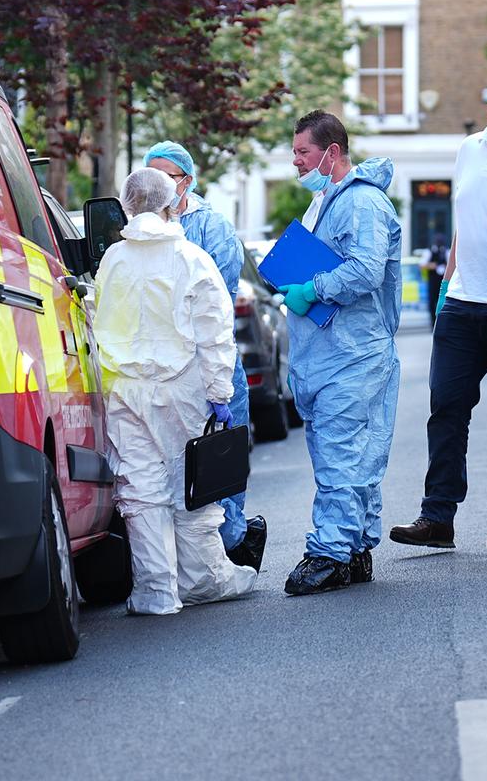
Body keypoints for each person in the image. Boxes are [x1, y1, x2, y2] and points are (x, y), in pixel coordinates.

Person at [389, 68, 487, 552]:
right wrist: (446, 288)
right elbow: (462, 225)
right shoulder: (467, 149)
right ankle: (437, 517)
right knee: (446, 409)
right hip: (460, 303)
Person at [95, 167, 260, 615]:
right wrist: (219, 391)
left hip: (124, 389)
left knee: (141, 490)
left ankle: (156, 591)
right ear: (172, 206)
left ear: (128, 205)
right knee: (192, 483)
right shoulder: (190, 258)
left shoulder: (113, 259)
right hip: (181, 387)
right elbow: (215, 332)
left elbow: (97, 320)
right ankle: (204, 579)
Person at [277, 111, 403, 596]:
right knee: (352, 456)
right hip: (333, 353)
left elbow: (366, 270)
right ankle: (353, 546)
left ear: (331, 152)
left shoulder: (362, 204)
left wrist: (313, 287)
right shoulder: (328, 202)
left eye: (303, 153)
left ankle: (329, 552)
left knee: (341, 456)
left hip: (352, 353)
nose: (296, 162)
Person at [144, 140, 268, 571]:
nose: (160, 187)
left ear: (187, 182)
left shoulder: (210, 228)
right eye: (152, 178)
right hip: (160, 371)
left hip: (207, 364)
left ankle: (229, 547)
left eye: (168, 178)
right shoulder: (138, 232)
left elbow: (216, 307)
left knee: (217, 463)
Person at [421, 235, 448, 328]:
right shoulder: (428, 252)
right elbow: (422, 265)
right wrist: (432, 265)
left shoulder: (446, 251)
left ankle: (443, 323)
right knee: (432, 303)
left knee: (444, 302)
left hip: (443, 282)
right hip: (432, 282)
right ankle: (434, 323)